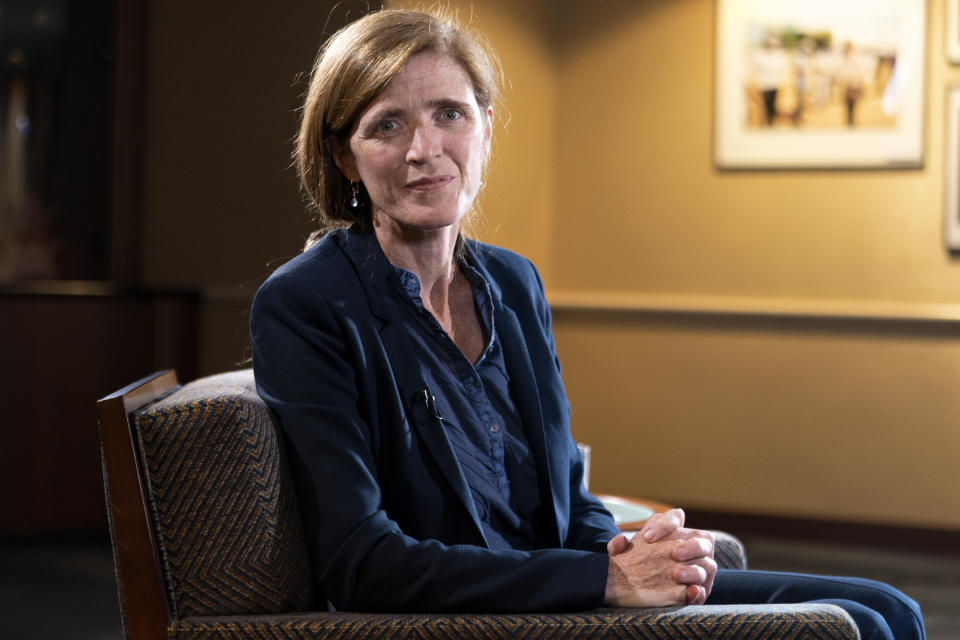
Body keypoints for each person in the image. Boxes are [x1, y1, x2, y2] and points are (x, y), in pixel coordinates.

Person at [250, 9, 925, 639]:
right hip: (481, 614)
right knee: (851, 627)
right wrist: (607, 578)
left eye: (449, 114)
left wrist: (631, 551)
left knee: (888, 606)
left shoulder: (513, 283)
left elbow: (568, 500)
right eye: (387, 126)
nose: (425, 149)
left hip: (570, 587)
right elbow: (362, 561)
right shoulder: (307, 304)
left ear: (484, 127)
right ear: (345, 159)